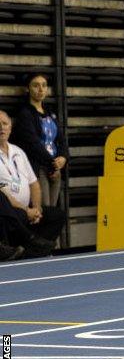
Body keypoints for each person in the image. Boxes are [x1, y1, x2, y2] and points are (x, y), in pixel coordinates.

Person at [0, 110, 64, 260]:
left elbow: (34, 183)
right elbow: (3, 193)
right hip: (10, 212)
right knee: (8, 208)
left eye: (4, 124)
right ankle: (30, 240)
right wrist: (26, 210)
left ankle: (29, 252)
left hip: (26, 210)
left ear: (10, 127)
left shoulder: (18, 152)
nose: (1, 128)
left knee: (56, 216)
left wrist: (36, 208)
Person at [10, 73, 68, 208]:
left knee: (52, 210)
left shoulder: (50, 113)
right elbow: (33, 144)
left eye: (44, 85)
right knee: (43, 210)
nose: (41, 89)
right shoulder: (25, 114)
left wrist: (64, 157)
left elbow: (60, 139)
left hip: (55, 169)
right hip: (39, 168)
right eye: (36, 85)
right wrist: (52, 164)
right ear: (27, 89)